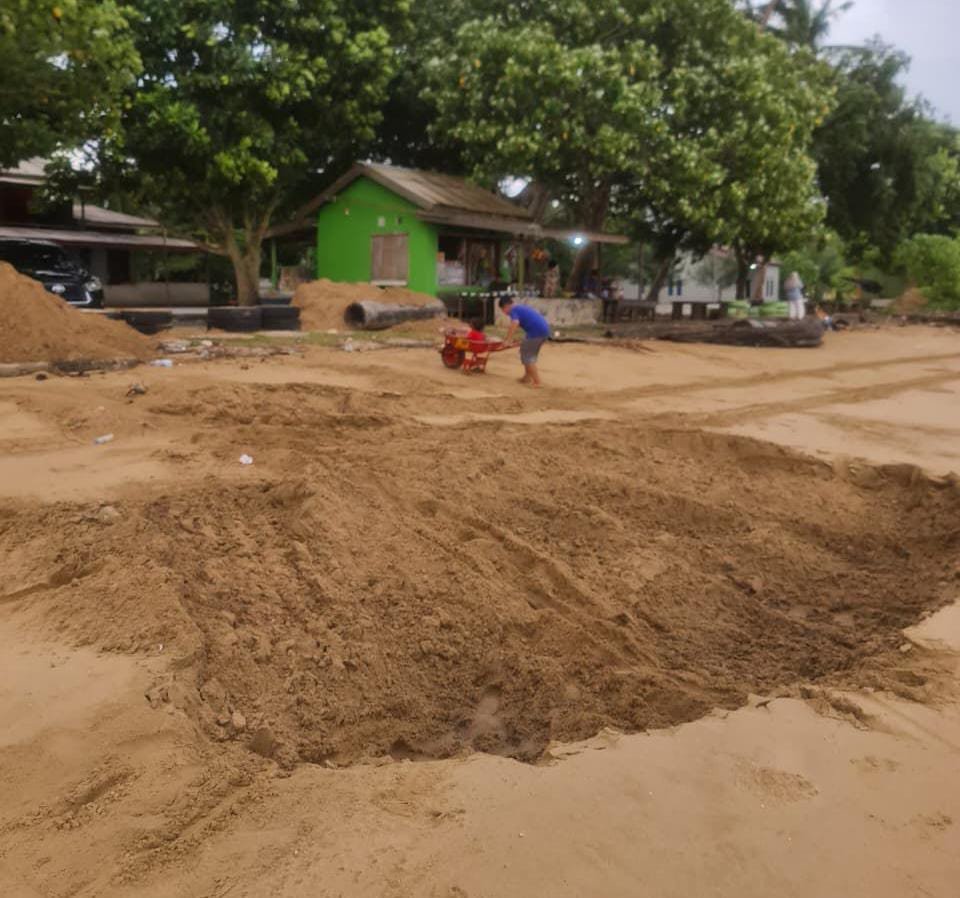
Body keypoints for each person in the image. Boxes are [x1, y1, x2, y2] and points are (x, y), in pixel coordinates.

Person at [499, 296, 551, 387]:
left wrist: (508, 340)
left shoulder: (513, 310)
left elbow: (515, 323)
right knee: (525, 351)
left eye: (503, 309)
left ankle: (537, 382)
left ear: (506, 306)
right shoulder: (519, 308)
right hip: (541, 330)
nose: (504, 312)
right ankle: (527, 377)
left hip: (536, 332)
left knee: (528, 357)